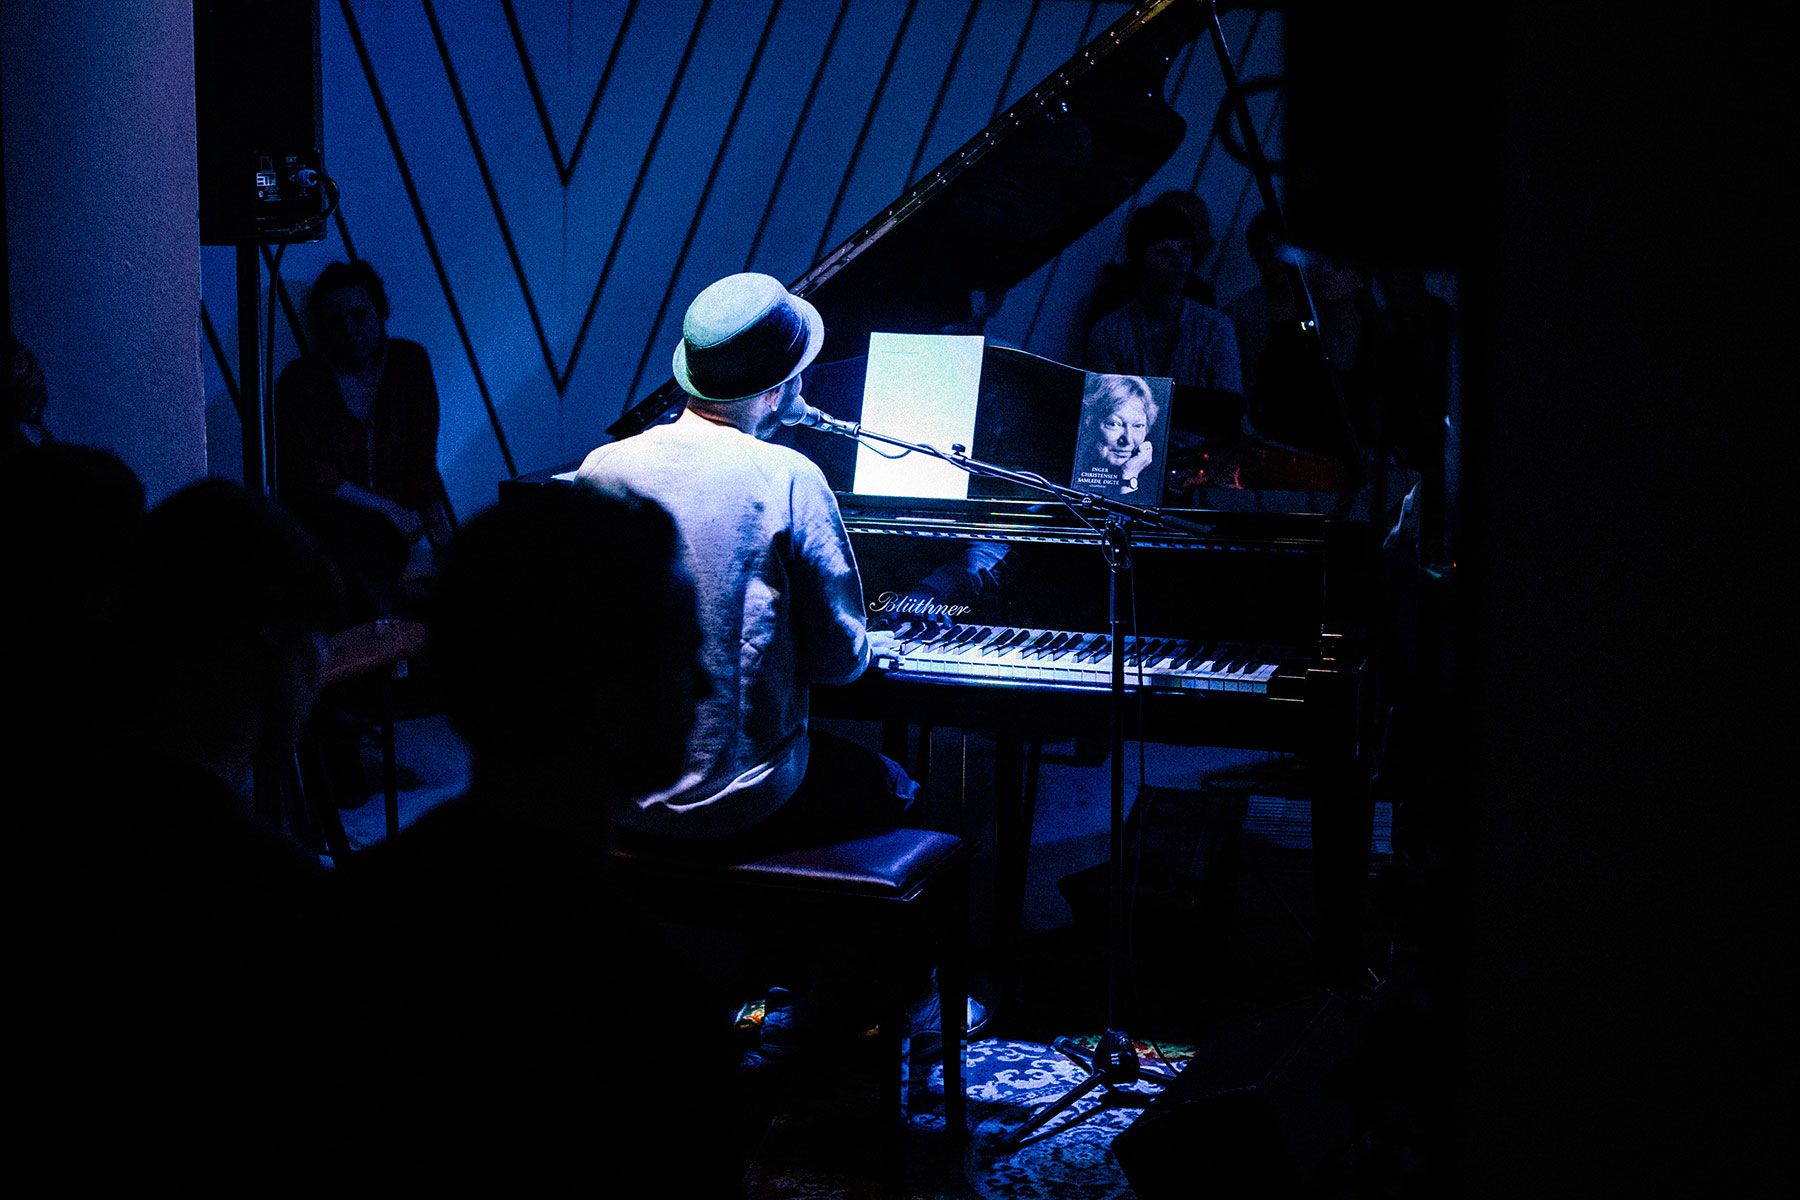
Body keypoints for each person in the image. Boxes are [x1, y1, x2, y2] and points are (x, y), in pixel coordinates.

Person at [334, 484, 748, 1193]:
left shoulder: (341, 917)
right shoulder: (652, 1016)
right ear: (613, 707)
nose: (707, 687)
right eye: (685, 656)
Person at [575, 272, 913, 850]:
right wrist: (859, 643)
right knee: (896, 784)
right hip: (742, 804)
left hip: (614, 794)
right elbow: (839, 663)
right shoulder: (788, 476)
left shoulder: (600, 468)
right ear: (777, 391)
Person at [273, 259, 451, 620]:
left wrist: (442, 540)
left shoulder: (407, 363)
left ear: (380, 313)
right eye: (335, 321)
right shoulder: (302, 380)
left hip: (398, 538)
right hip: (335, 537)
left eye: (359, 315)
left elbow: (421, 458)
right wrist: (387, 510)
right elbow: (306, 473)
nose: (349, 330)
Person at [1084, 203, 1244, 446]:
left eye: (1185, 250)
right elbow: (1106, 413)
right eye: (1164, 252)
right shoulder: (1109, 331)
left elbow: (1228, 412)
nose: (1178, 261)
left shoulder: (1216, 328)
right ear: (1140, 258)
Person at [1073, 372, 1162, 497]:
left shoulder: (1153, 483)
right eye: (1114, 424)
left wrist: (1129, 475)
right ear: (1090, 422)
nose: (1128, 440)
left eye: (1138, 426)